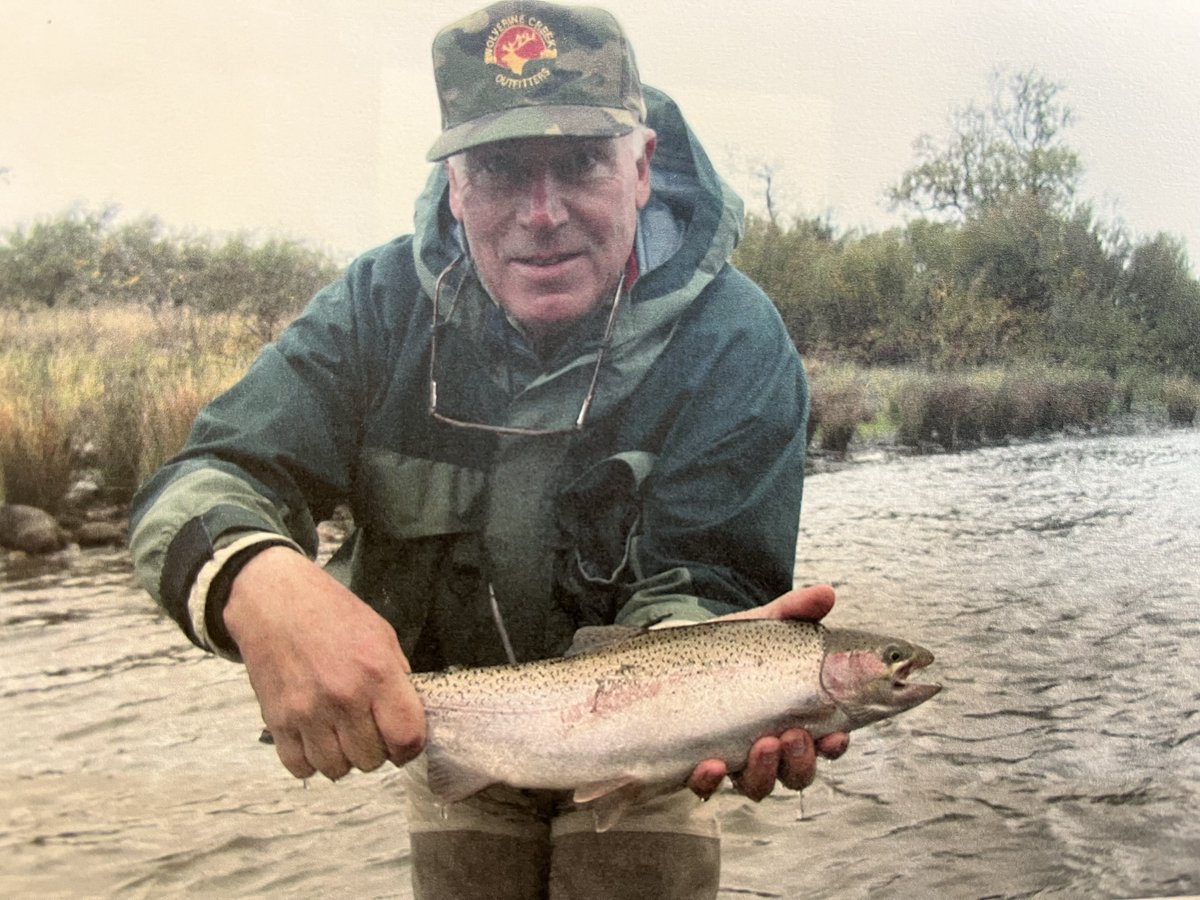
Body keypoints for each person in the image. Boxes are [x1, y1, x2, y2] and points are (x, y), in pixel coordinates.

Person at [129, 2, 848, 896]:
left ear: (641, 167)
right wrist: (253, 578)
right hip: (453, 736)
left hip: (649, 754)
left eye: (580, 162)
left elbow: (708, 581)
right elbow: (201, 479)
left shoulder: (735, 341)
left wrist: (721, 696)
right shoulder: (376, 308)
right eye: (501, 170)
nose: (540, 214)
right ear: (455, 186)